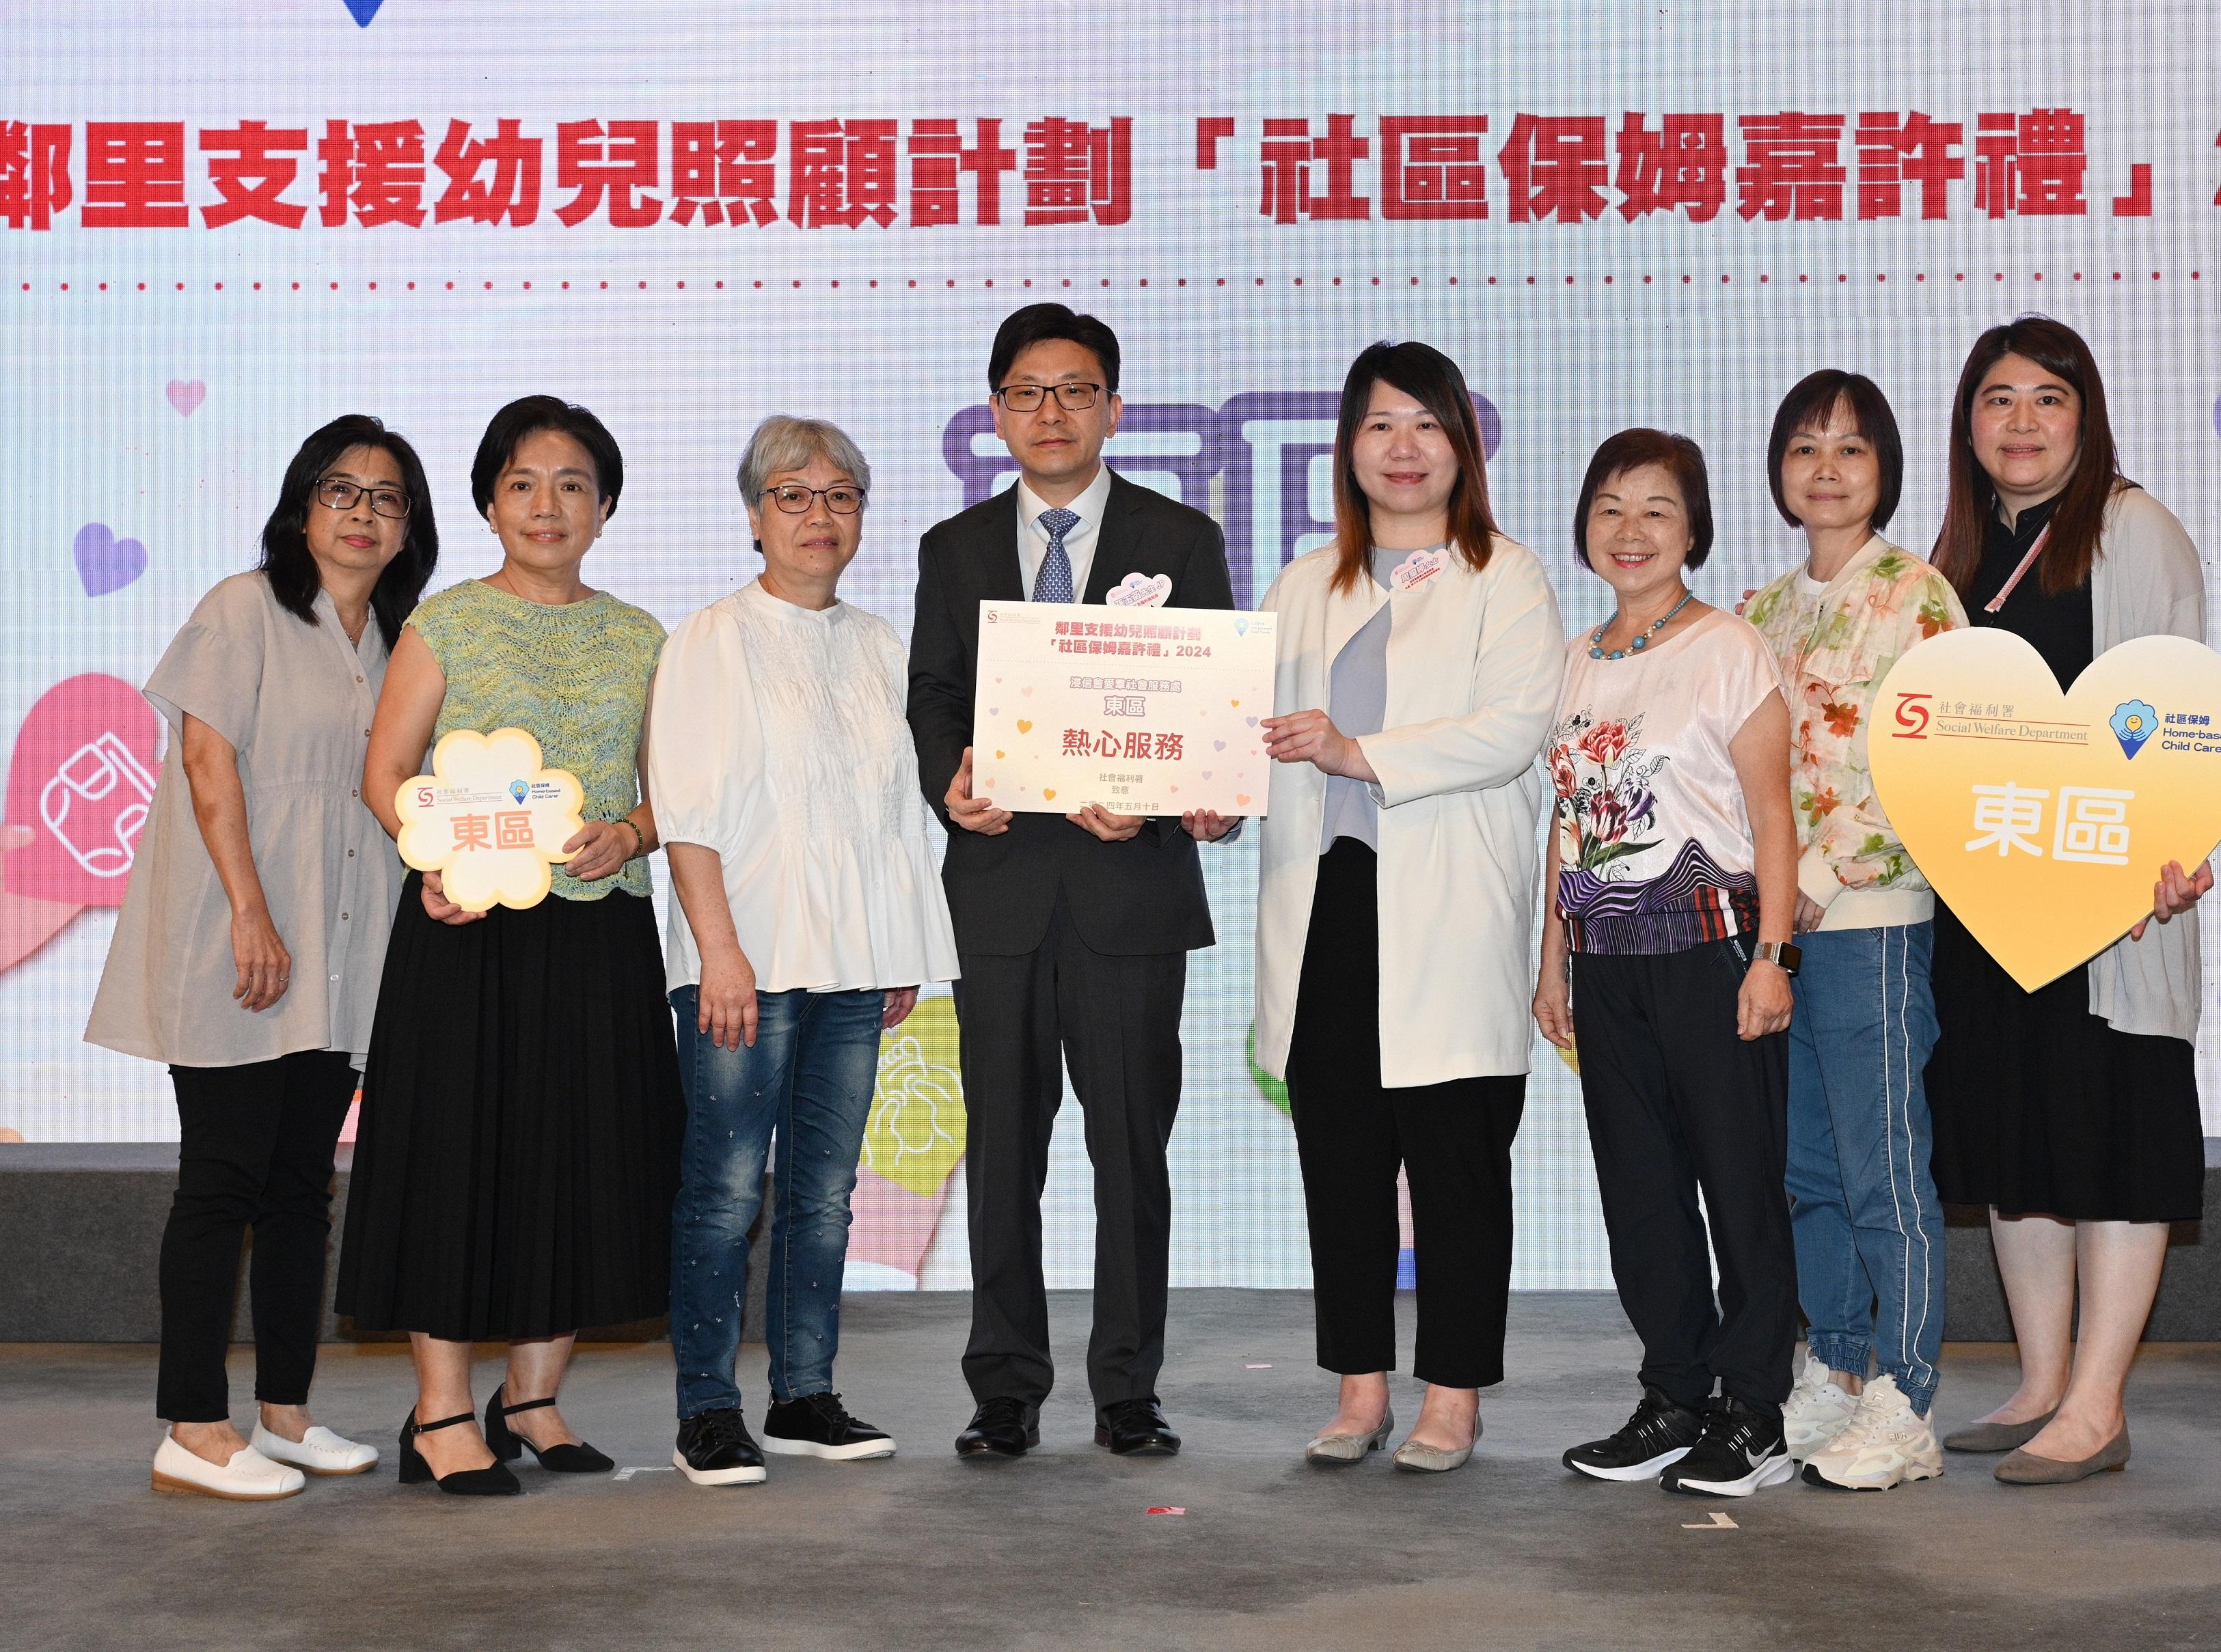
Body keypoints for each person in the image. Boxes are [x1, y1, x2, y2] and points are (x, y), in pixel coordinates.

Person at [906, 303, 1238, 1461]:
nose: (1052, 412)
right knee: (1003, 1147)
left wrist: (1164, 789)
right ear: (995, 411)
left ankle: (1127, 1385)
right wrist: (952, 779)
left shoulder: (1182, 536)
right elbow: (937, 695)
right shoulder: (951, 550)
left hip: (1130, 890)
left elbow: (1210, 707)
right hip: (998, 888)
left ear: (1113, 405)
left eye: (1076, 389)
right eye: (1028, 391)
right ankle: (1004, 1383)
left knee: (1131, 1147)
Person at [87, 417, 438, 1502]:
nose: (362, 512)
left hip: (343, 943)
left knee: (301, 1189)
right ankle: (191, 1424)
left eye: (386, 497)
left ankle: (283, 1413)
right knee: (223, 1180)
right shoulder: (243, 607)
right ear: (301, 507)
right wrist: (249, 909)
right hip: (244, 936)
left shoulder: (398, 637)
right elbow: (205, 758)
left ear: (408, 527)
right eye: (341, 491)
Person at [337, 396, 681, 1498]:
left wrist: (630, 831)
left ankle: (530, 1400)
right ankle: (439, 1411)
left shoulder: (642, 636)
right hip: (467, 931)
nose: (548, 504)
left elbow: (672, 789)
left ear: (607, 507)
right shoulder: (448, 622)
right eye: (524, 483)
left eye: (573, 484)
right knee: (456, 1160)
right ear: (489, 502)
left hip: (598, 931)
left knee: (583, 1160)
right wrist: (428, 862)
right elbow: (384, 773)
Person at [1255, 342, 1563, 1473]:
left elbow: (1514, 727)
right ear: (1347, 447)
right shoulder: (1302, 583)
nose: (1403, 448)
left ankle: (1453, 1397)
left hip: (1452, 906)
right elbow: (1251, 735)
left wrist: (1356, 750)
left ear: (1462, 447)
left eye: (1426, 425)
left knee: (1457, 1163)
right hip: (1330, 898)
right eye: (1381, 424)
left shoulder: (1508, 579)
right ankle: (1359, 1385)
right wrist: (1208, 798)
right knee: (1340, 1155)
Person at [1922, 316, 2213, 1485]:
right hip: (1990, 903)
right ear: (1969, 422)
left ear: (2086, 417)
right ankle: (2043, 1382)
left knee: (2115, 1138)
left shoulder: (2130, 526)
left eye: (2049, 398)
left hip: (2112, 904)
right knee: (2017, 1142)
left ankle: (2098, 1405)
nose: (2023, 421)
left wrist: (2172, 845)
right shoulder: (1953, 554)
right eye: (1999, 399)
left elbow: (2185, 703)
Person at [646, 417, 960, 1487]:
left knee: (825, 1192)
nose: (820, 516)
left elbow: (889, 810)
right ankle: (708, 1407)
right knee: (725, 1191)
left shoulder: (879, 641)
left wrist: (900, 934)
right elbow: (685, 808)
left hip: (855, 961)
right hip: (746, 960)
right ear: (752, 516)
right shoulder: (708, 638)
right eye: (794, 495)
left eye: (841, 497)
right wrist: (718, 950)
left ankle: (804, 1394)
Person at [1536, 430, 1802, 1497]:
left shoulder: (1731, 649)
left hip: (1712, 949)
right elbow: (1567, 821)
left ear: (1693, 529)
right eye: (1609, 507)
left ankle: (1754, 1413)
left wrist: (1773, 955)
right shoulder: (1574, 658)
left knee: (1740, 1189)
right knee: (1641, 1194)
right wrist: (1552, 962)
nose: (1631, 529)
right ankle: (1674, 1393)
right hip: (1605, 964)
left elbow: (1774, 816)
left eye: (1656, 508)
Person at [1740, 372, 1964, 1492]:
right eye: (1805, 448)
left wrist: (1816, 879)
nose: (1826, 469)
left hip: (1870, 919)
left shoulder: (1918, 599)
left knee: (1884, 1168)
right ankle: (1831, 1370)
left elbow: (1929, 769)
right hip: (1776, 932)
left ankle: (1908, 1395)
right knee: (1808, 1170)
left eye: (1852, 449)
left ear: (1885, 471)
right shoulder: (1758, 609)